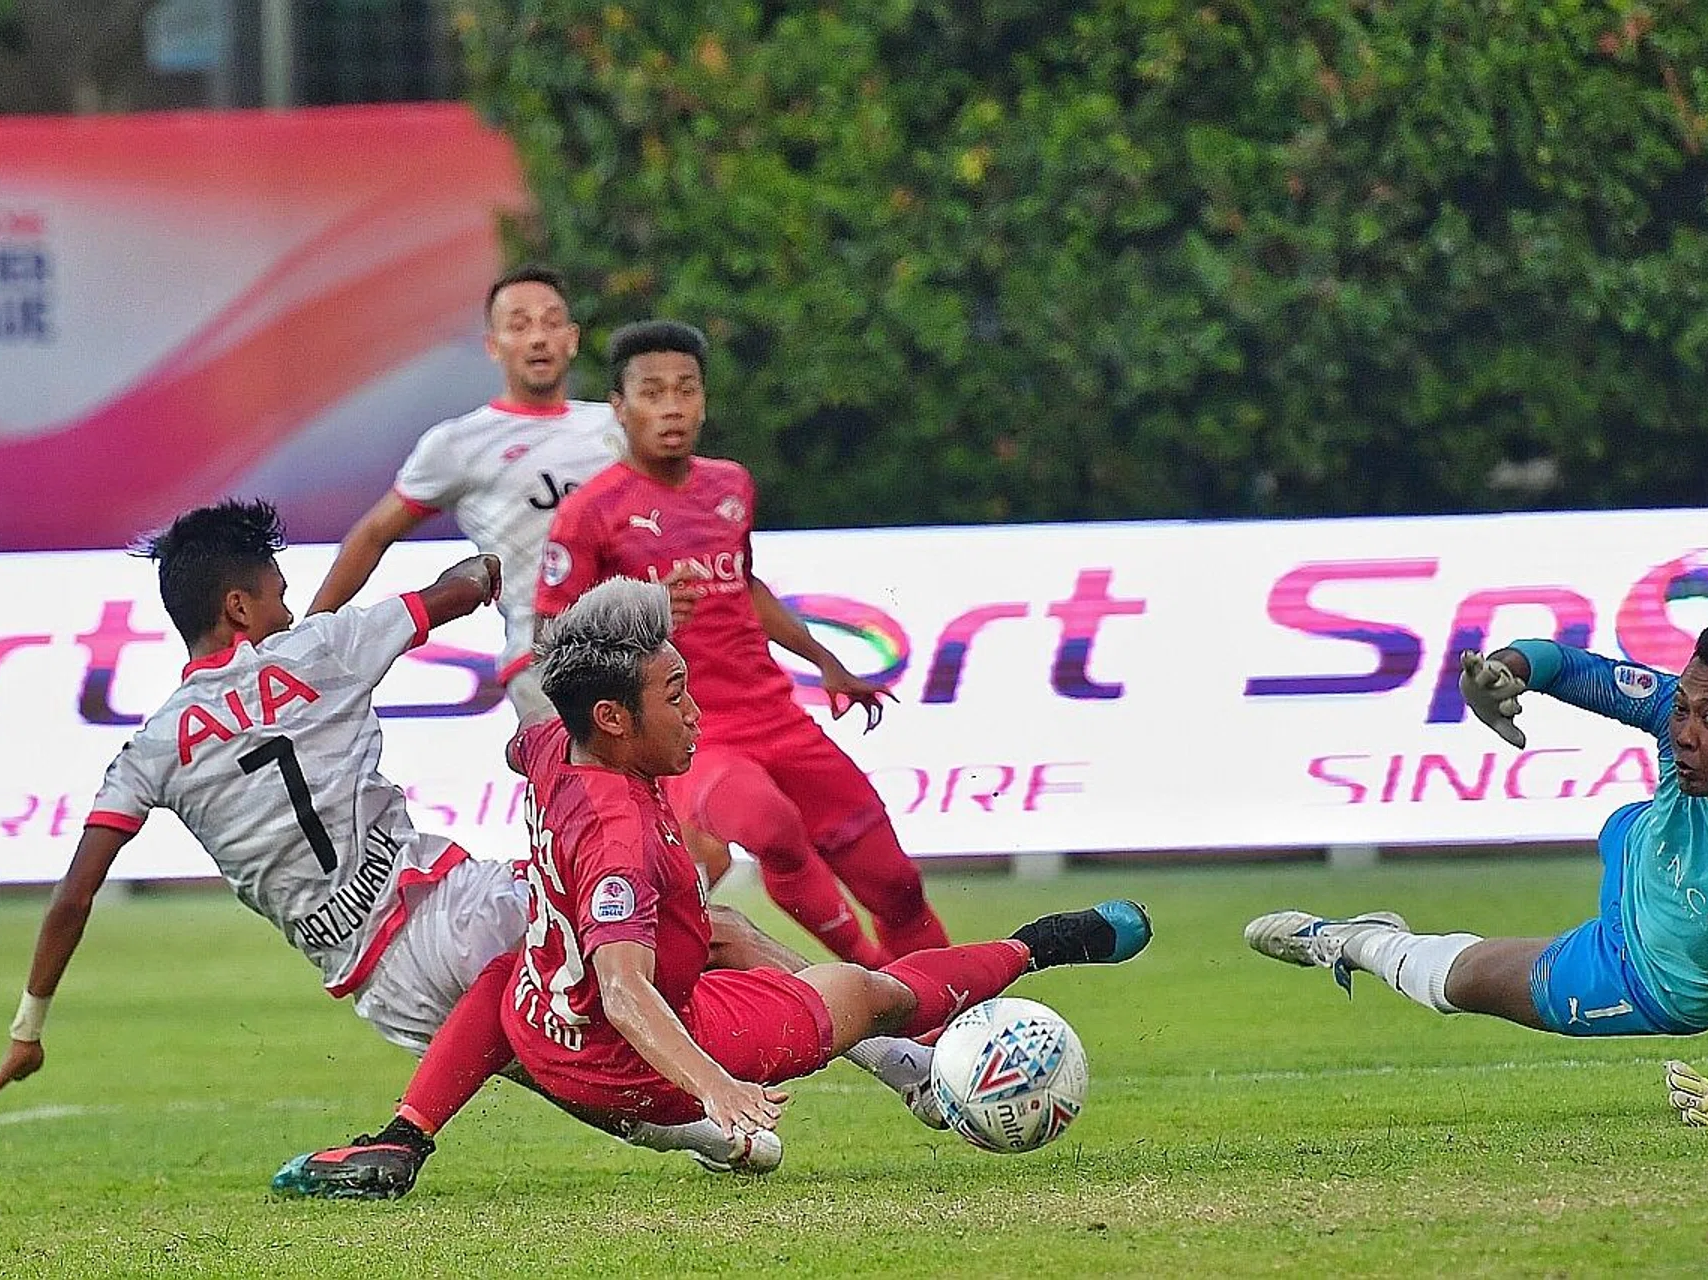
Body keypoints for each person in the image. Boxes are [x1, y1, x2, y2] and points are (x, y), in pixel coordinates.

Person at [0, 501, 932, 1185]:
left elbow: (73, 896)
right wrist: (502, 554)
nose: (292, 611)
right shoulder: (324, 648)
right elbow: (458, 587)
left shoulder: (148, 750)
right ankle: (902, 1067)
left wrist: (27, 1027)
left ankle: (711, 1138)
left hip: (374, 983)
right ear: (240, 609)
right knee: (701, 927)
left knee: (550, 1049)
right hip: (446, 902)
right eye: (279, 594)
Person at [483, 579, 1151, 1157]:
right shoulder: (618, 840)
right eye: (675, 696)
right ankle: (1042, 944)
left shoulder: (556, 743)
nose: (695, 713)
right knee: (874, 994)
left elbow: (522, 749)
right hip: (634, 1063)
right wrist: (716, 1087)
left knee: (723, 927)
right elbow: (626, 993)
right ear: (613, 719)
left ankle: (907, 1069)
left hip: (548, 1020)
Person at [1244, 622, 1708, 1128]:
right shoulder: (1683, 718)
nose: (1686, 734)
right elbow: (1561, 663)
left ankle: (1356, 940)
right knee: (1627, 821)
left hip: (1646, 971)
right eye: (1684, 711)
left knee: (1468, 982)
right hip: (1643, 852)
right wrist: (1504, 674)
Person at [533, 320, 946, 968]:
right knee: (765, 822)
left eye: (685, 389)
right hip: (688, 729)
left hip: (776, 716)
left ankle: (951, 1015)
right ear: (619, 406)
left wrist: (826, 663)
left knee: (897, 884)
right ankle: (872, 977)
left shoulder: (729, 484)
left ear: (702, 400)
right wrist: (642, 610)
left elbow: (743, 584)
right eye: (652, 391)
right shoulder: (590, 512)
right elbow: (550, 639)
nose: (671, 406)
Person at [308, 263, 623, 719]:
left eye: (551, 323)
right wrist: (304, 637)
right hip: (547, 661)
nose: (538, 337)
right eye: (519, 325)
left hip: (644, 649)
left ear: (572, 338)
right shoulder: (458, 444)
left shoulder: (617, 426)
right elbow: (373, 533)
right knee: (586, 791)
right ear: (493, 346)